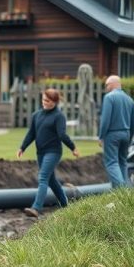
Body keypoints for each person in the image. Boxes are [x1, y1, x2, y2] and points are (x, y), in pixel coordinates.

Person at [16, 88, 79, 218]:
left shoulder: (59, 116)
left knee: (43, 176)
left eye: (47, 100)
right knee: (51, 181)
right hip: (41, 152)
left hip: (53, 152)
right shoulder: (36, 115)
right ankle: (66, 205)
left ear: (54, 102)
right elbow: (31, 134)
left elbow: (62, 135)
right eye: (43, 99)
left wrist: (73, 148)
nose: (44, 102)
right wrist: (22, 147)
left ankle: (36, 208)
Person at [98, 75, 134, 188]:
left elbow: (105, 120)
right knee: (122, 162)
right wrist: (129, 137)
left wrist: (101, 136)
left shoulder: (109, 97)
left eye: (106, 85)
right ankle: (126, 190)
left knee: (111, 163)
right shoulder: (130, 99)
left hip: (112, 134)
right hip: (126, 134)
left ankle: (122, 191)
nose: (105, 88)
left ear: (112, 84)